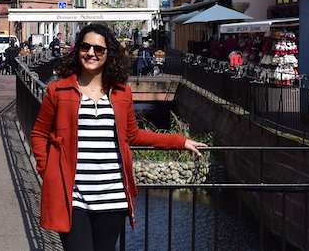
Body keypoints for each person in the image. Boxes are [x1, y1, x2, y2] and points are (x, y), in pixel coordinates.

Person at [30, 24, 206, 251]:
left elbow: (133, 135)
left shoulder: (121, 92)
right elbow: (39, 133)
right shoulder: (59, 91)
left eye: (99, 49)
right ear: (78, 50)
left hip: (113, 197)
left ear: (108, 54)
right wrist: (48, 171)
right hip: (73, 198)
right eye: (85, 47)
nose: (91, 53)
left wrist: (179, 141)